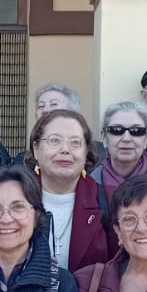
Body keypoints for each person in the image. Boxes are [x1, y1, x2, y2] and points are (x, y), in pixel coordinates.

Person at [28, 108, 116, 274]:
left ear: (86, 152)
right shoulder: (14, 196)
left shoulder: (109, 200)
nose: (65, 150)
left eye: (75, 142)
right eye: (54, 141)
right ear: (36, 149)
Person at [92, 101, 147, 203]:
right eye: (117, 130)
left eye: (136, 131)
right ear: (104, 138)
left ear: (146, 140)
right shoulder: (89, 185)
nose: (126, 138)